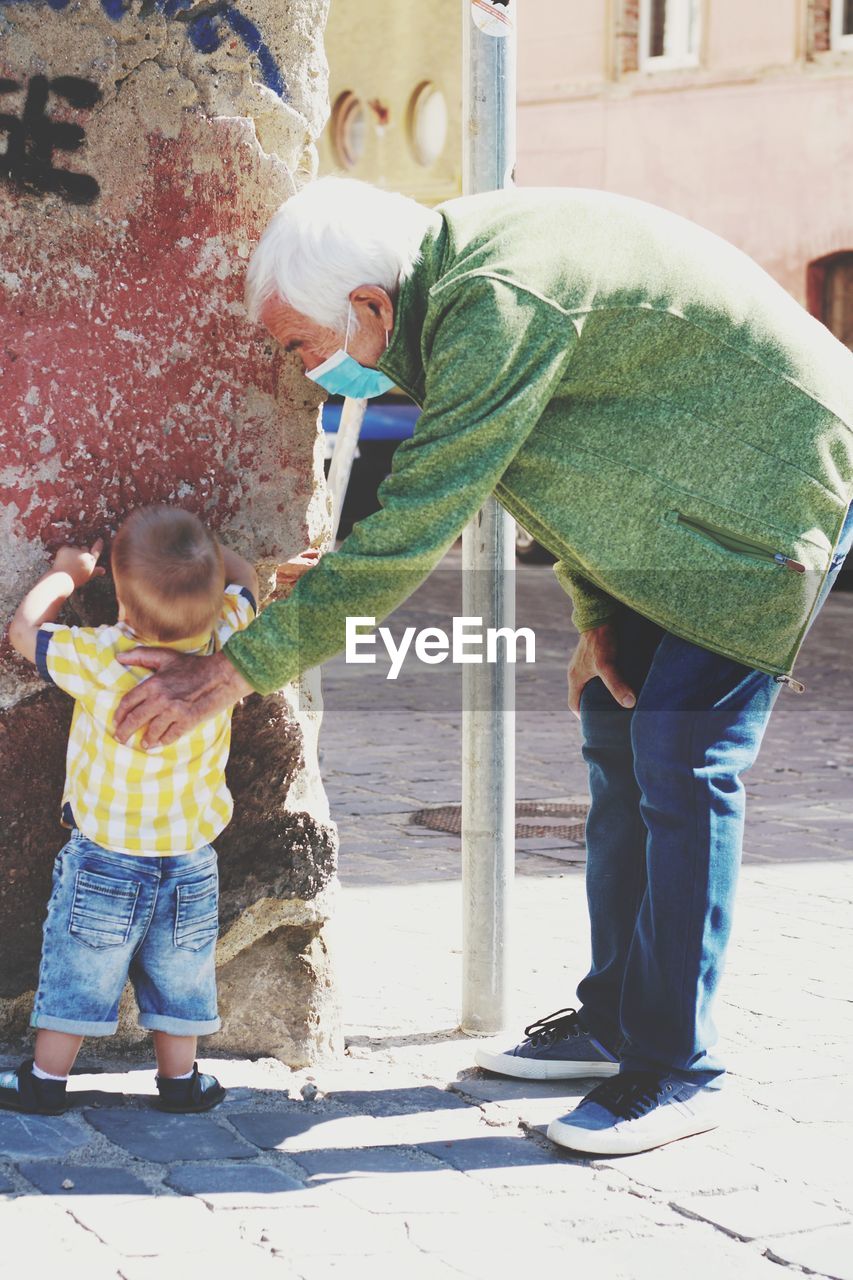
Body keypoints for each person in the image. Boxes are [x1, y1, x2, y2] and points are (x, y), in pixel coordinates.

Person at [108, 179, 853, 1155]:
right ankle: (616, 1017)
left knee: (684, 761)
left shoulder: (490, 300)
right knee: (614, 732)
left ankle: (678, 1066)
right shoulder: (461, 286)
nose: (300, 371)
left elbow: (416, 524)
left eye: (301, 345)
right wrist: (600, 618)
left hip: (767, 492)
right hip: (676, 504)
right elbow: (563, 456)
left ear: (370, 309)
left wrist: (231, 671)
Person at [0, 505, 261, 1115]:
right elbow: (246, 580)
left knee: (82, 969)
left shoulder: (101, 656)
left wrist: (69, 573)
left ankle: (45, 1080)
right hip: (191, 857)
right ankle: (179, 1083)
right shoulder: (223, 641)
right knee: (183, 972)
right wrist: (207, 552)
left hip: (106, 858)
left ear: (121, 598)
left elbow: (23, 632)